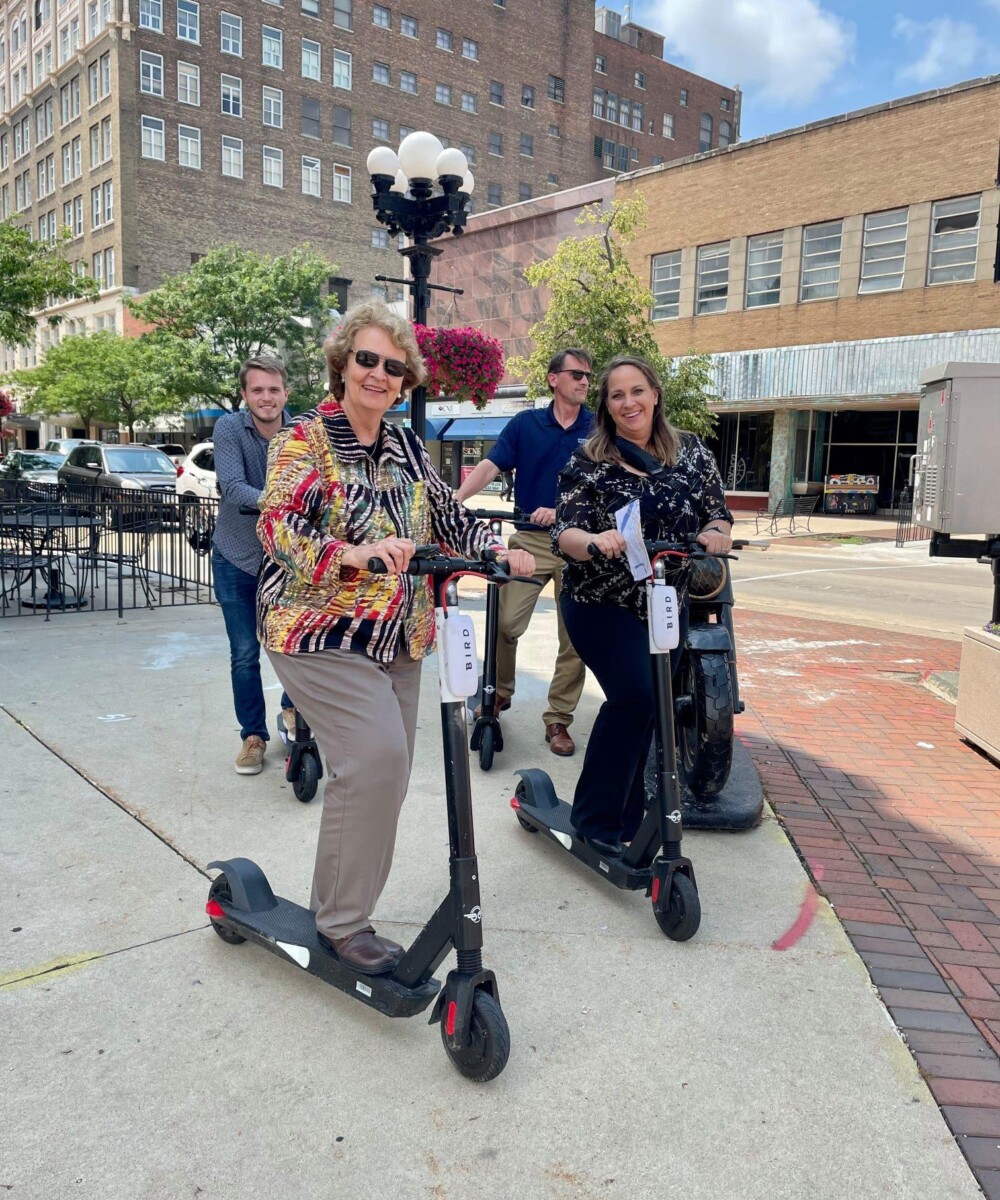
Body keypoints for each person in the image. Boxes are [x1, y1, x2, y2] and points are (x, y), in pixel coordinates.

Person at [256, 302, 535, 975]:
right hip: (318, 628)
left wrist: (495, 550)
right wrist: (352, 555)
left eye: (393, 365)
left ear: (405, 379)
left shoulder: (409, 447)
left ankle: (339, 904)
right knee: (375, 761)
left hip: (400, 636)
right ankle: (343, 924)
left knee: (384, 773)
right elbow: (277, 527)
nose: (379, 373)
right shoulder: (305, 442)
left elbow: (447, 513)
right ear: (343, 365)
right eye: (367, 360)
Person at [552, 354, 734, 857]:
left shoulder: (693, 453)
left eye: (637, 391)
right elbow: (562, 530)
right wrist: (593, 539)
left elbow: (718, 515)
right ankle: (594, 821)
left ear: (655, 394)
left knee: (653, 709)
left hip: (663, 603)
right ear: (606, 408)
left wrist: (715, 535)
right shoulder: (589, 459)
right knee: (634, 697)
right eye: (616, 395)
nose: (628, 402)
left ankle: (627, 817)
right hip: (599, 600)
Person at [455, 348, 595, 756]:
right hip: (531, 540)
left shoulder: (599, 428)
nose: (584, 381)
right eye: (576, 374)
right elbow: (490, 465)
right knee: (505, 621)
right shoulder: (526, 424)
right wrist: (456, 498)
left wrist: (566, 510)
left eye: (588, 375)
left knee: (574, 637)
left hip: (580, 543)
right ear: (554, 379)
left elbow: (608, 484)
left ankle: (558, 719)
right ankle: (498, 693)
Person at [212, 356, 295, 776]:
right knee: (245, 653)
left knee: (295, 644)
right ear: (245, 395)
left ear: (286, 393)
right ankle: (253, 735)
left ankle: (293, 711)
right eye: (257, 390)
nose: (266, 397)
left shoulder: (303, 431)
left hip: (288, 560)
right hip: (236, 557)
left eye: (273, 389)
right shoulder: (229, 428)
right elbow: (232, 487)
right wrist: (283, 502)